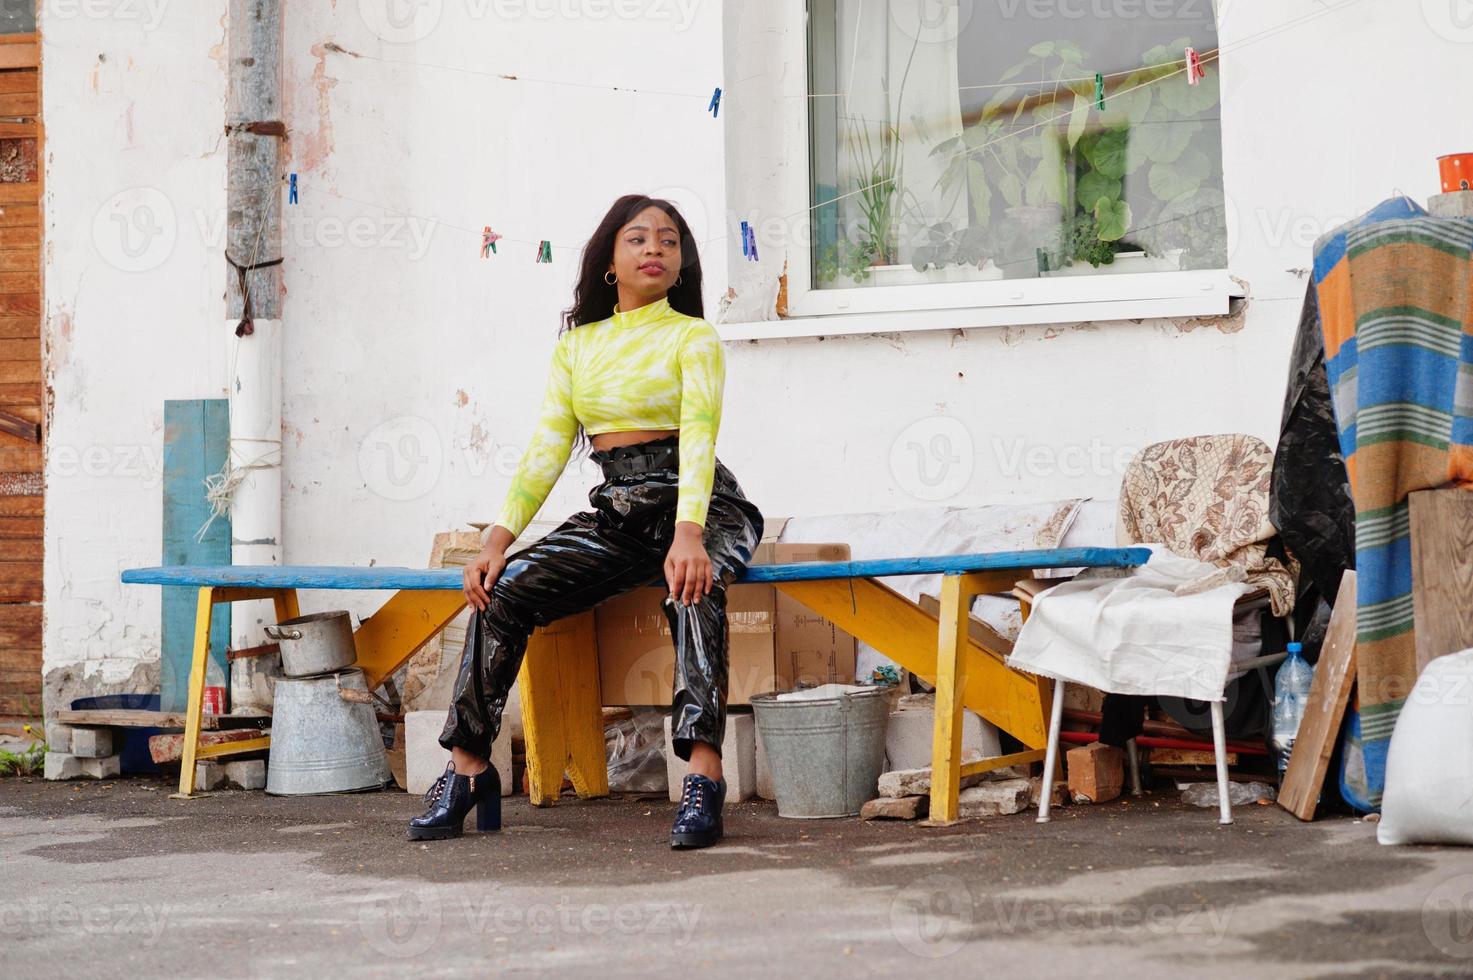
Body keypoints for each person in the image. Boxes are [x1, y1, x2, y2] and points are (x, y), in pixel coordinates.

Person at [409, 194, 765, 849]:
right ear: (609, 260)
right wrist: (495, 542)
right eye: (638, 239)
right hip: (620, 508)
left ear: (680, 264)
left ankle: (703, 777)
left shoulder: (692, 336)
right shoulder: (578, 348)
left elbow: (698, 434)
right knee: (503, 587)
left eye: (668, 240)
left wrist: (690, 535)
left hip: (703, 501)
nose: (654, 249)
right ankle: (468, 770)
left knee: (692, 588)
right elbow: (547, 446)